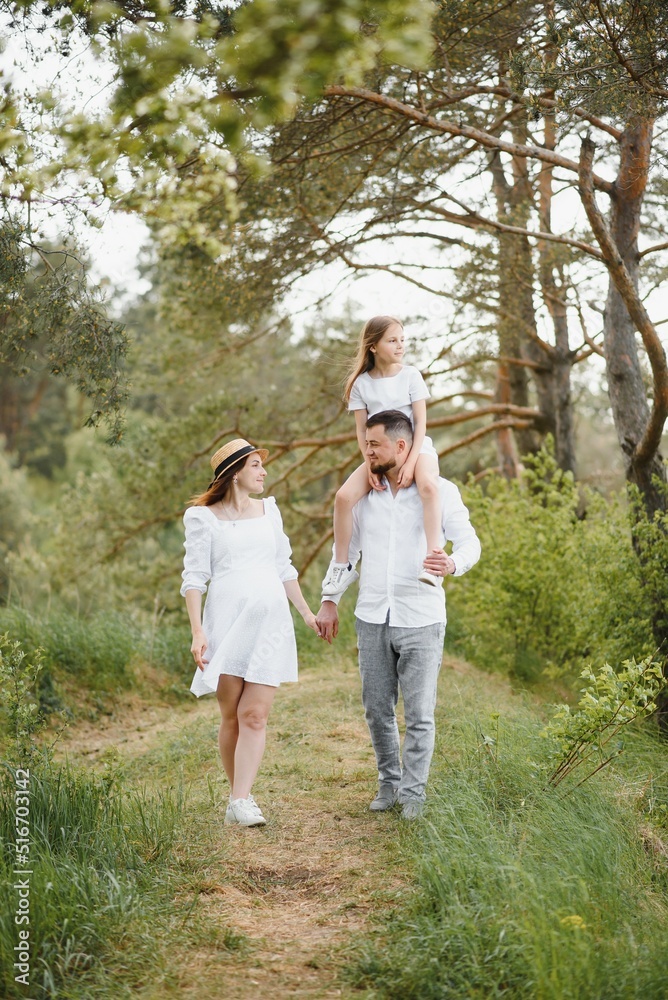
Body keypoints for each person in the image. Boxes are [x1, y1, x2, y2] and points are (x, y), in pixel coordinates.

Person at [316, 411, 481, 820]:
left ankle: (414, 794)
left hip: (421, 618)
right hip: (372, 615)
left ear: (402, 447)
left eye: (375, 445)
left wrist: (454, 563)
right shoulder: (363, 498)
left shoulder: (439, 490)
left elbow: (471, 542)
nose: (367, 452)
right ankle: (389, 782)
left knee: (420, 714)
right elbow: (348, 554)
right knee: (376, 708)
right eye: (366, 444)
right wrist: (330, 599)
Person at [181, 438, 319, 828]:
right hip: (225, 623)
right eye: (256, 465)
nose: (263, 472)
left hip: (270, 623)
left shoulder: (269, 511)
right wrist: (197, 631)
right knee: (232, 716)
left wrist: (307, 613)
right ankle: (237, 798)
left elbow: (284, 567)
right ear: (235, 472)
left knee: (254, 714)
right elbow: (194, 578)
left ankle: (241, 801)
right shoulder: (202, 517)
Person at [322, 316, 442, 596]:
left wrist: (411, 462)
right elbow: (361, 431)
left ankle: (433, 565)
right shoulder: (361, 384)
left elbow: (421, 424)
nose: (400, 345)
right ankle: (342, 567)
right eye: (392, 340)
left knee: (428, 486)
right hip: (377, 453)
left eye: (402, 339)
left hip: (416, 447)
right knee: (342, 498)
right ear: (373, 346)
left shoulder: (411, 375)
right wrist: (371, 465)